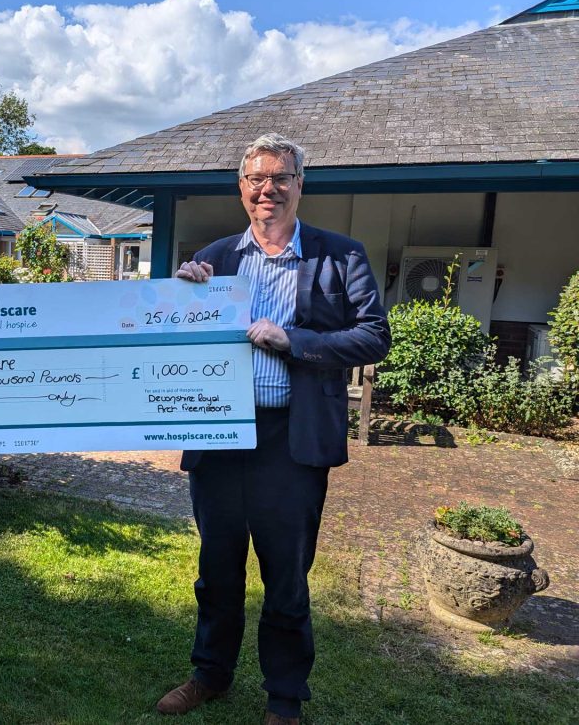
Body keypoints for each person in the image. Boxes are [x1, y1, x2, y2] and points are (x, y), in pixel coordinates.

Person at [156, 134, 390, 723]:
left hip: (292, 437)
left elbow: (374, 336)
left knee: (285, 573)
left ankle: (285, 698)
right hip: (219, 434)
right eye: (256, 179)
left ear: (299, 183)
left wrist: (295, 341)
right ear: (241, 188)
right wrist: (184, 298)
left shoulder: (341, 256)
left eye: (280, 177)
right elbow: (176, 339)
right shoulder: (217, 257)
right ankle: (210, 674)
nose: (268, 189)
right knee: (217, 567)